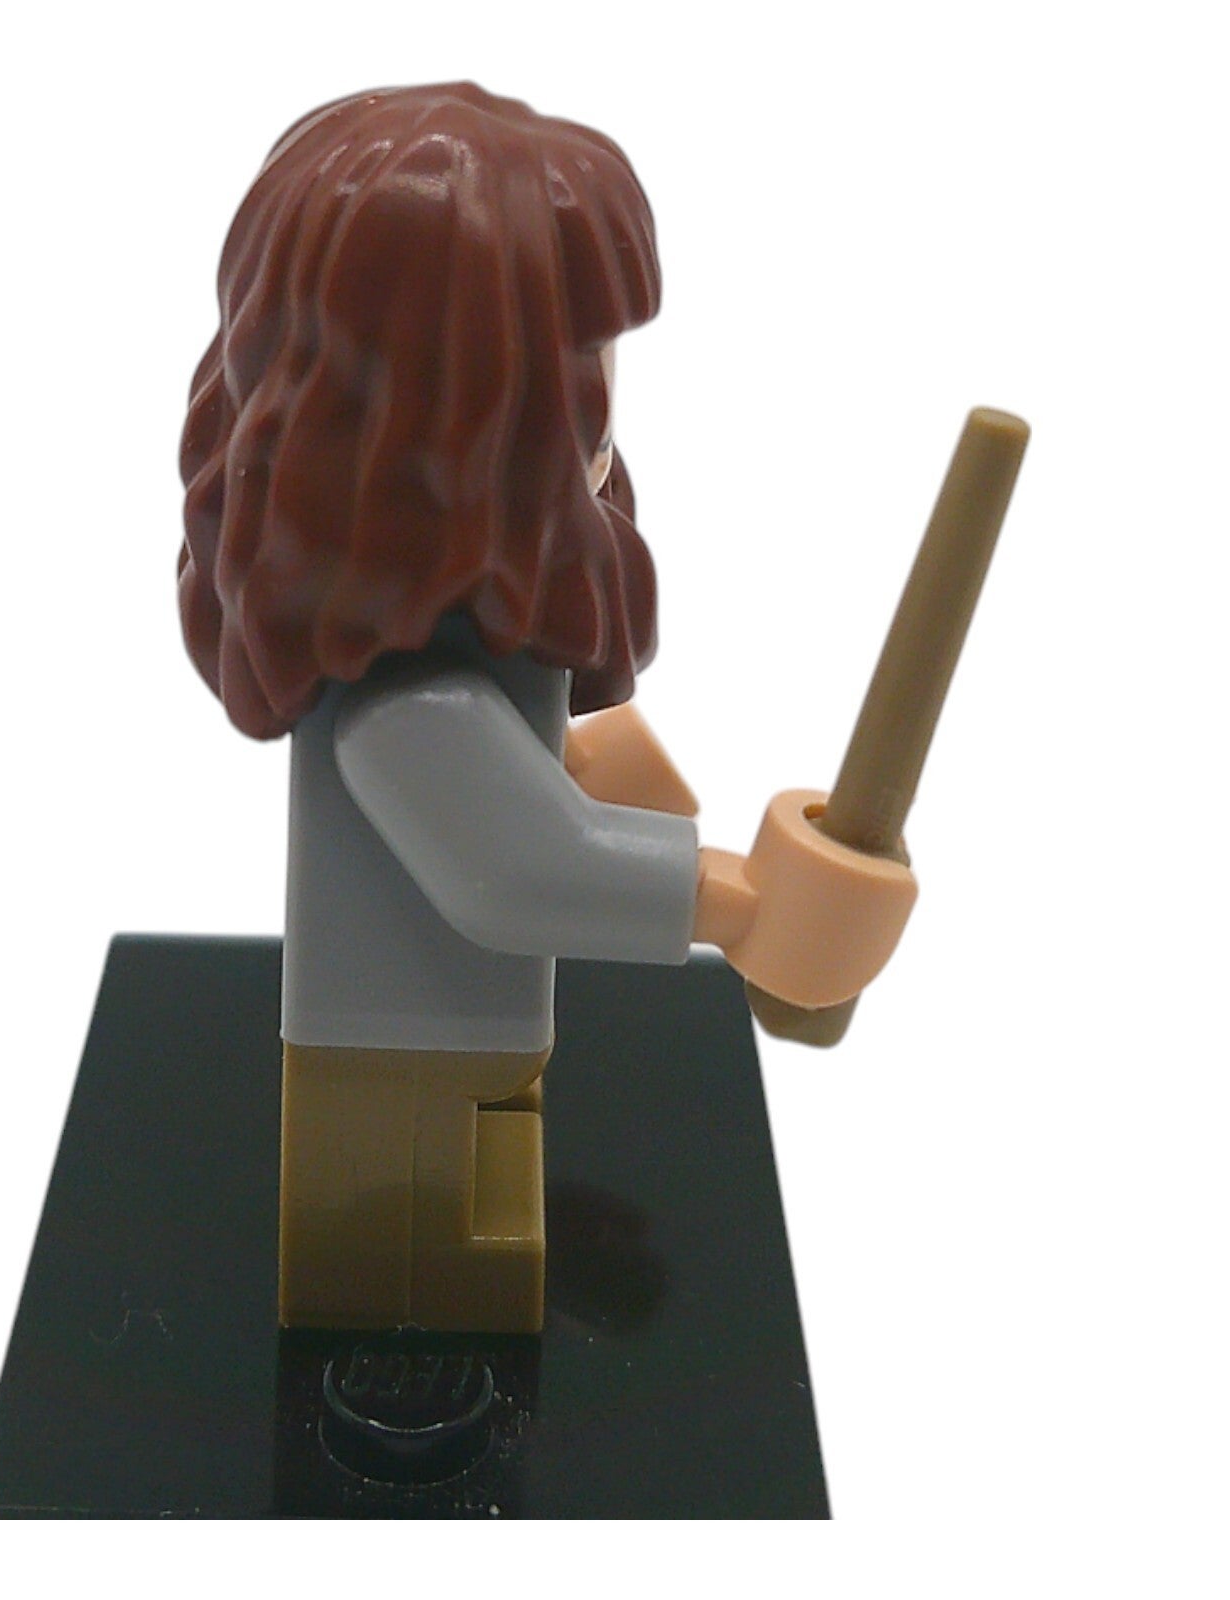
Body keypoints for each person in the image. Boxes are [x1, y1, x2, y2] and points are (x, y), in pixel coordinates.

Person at [178, 83, 914, 1333]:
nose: (604, 406)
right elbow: (511, 872)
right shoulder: (402, 705)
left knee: (487, 1173)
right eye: (580, 365)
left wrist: (574, 765)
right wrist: (744, 907)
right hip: (405, 1058)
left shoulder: (438, 651)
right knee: (425, 1252)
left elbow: (506, 805)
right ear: (454, 411)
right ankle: (400, 1325)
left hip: (457, 1037)